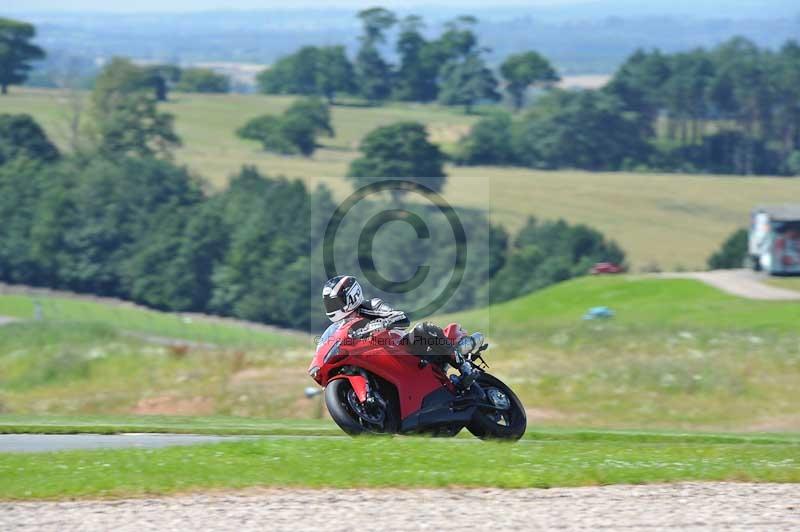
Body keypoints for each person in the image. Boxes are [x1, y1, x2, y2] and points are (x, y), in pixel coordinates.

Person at [322, 275, 477, 388]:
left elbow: (402, 318)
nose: (332, 307)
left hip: (401, 347)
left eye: (335, 301)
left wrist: (382, 323)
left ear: (351, 295)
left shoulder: (372, 306)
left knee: (425, 329)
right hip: (374, 358)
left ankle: (464, 368)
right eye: (330, 303)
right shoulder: (341, 327)